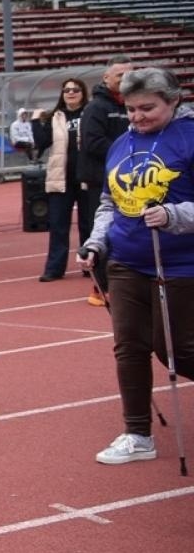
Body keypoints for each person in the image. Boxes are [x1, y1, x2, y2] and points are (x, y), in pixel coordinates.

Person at [79, 66, 194, 466]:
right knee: (128, 346)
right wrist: (97, 241)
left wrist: (175, 215)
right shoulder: (122, 143)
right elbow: (110, 203)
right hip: (127, 261)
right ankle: (137, 433)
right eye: (130, 110)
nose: (137, 117)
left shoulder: (189, 137)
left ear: (173, 101)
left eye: (147, 108)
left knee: (175, 349)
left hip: (181, 263)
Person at [79, 55, 135, 306]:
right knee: (103, 232)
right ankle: (100, 287)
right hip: (101, 180)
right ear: (106, 78)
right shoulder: (96, 108)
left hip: (130, 181)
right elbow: (93, 143)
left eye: (129, 74)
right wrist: (127, 154)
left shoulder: (131, 104)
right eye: (120, 75)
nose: (126, 79)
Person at [33, 77, 91, 282]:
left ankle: (90, 265)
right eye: (67, 90)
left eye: (75, 89)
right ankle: (54, 269)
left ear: (83, 92)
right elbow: (41, 143)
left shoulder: (91, 112)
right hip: (61, 177)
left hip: (86, 177)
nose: (71, 93)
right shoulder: (56, 116)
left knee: (89, 224)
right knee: (58, 225)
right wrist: (35, 121)